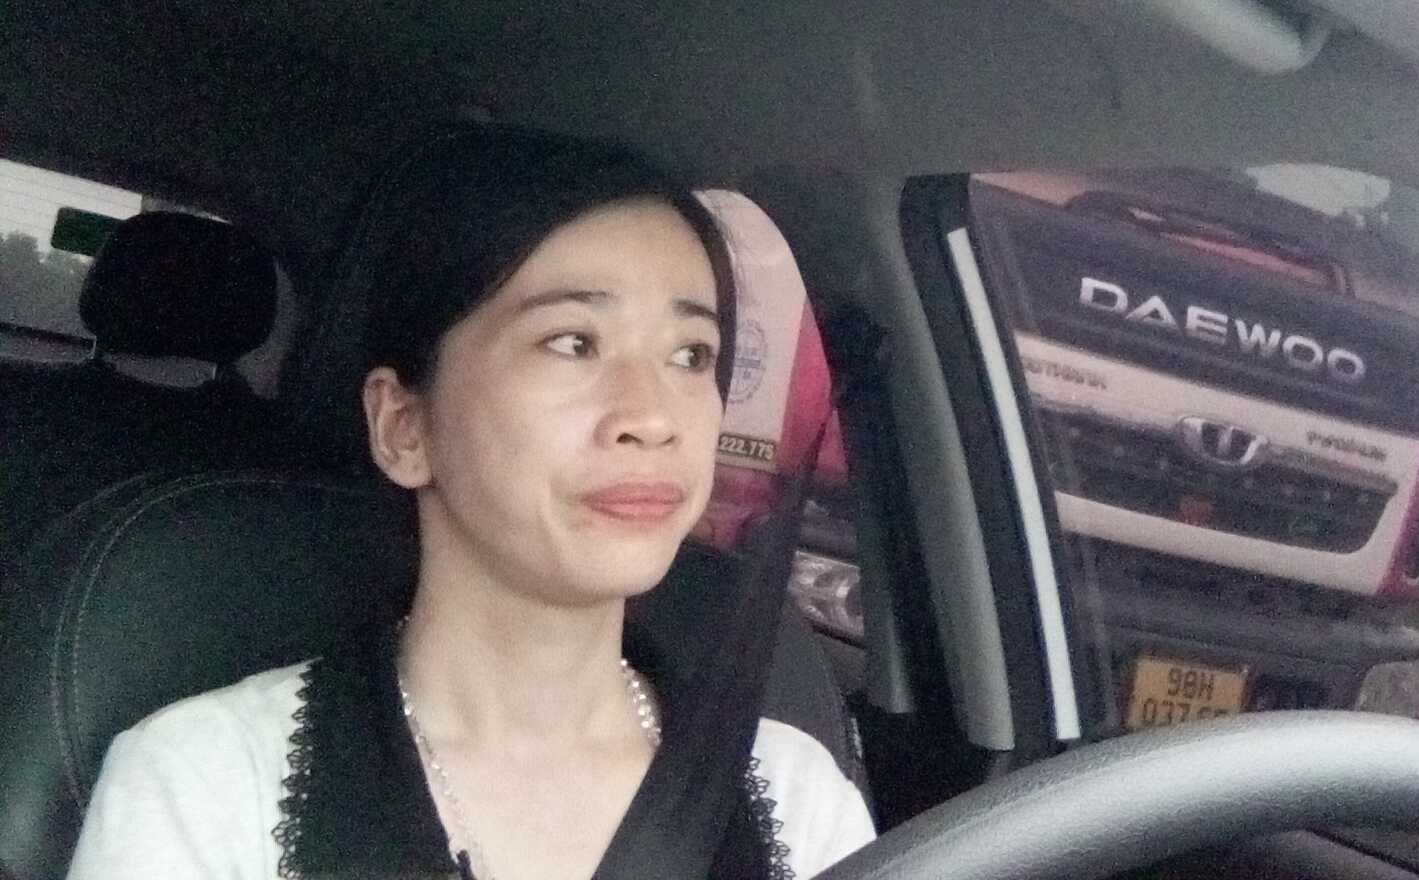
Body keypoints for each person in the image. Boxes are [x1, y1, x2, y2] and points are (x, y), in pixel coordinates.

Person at [66, 130, 877, 880]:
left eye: (692, 355)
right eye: (573, 342)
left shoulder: (798, 797)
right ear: (403, 426)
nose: (654, 417)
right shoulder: (206, 788)